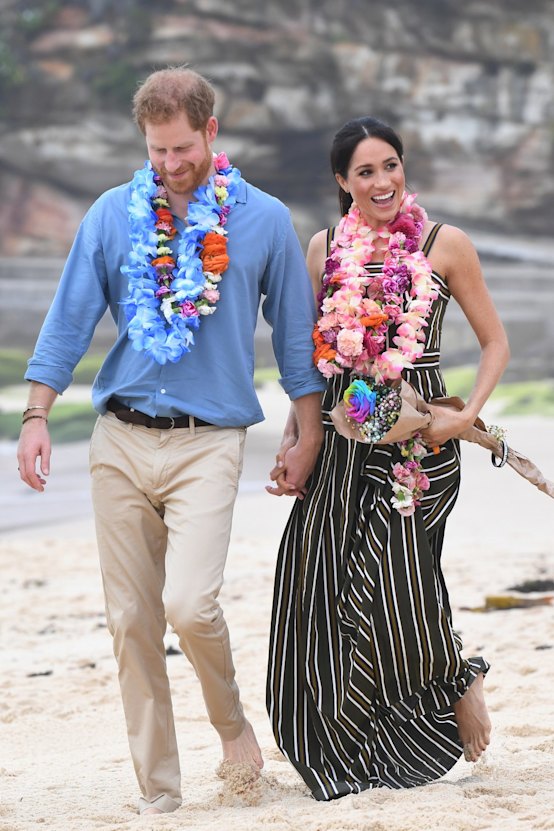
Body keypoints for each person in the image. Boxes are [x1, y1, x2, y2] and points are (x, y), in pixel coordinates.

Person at [17, 66, 325, 815]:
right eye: (155, 150)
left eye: (182, 147)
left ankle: (233, 728)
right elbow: (69, 319)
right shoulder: (112, 215)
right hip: (119, 437)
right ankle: (159, 789)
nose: (169, 164)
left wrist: (308, 432)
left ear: (211, 133)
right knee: (130, 619)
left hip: (209, 440)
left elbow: (294, 340)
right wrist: (35, 413)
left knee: (190, 604)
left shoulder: (261, 220)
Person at [266, 116, 510, 801]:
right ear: (342, 181)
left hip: (418, 437)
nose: (383, 182)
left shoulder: (444, 244)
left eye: (392, 166)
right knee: (321, 583)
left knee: (400, 577)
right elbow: (312, 364)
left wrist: (464, 416)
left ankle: (457, 683)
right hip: (342, 436)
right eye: (366, 171)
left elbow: (495, 344)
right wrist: (295, 439)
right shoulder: (322, 249)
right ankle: (349, 735)